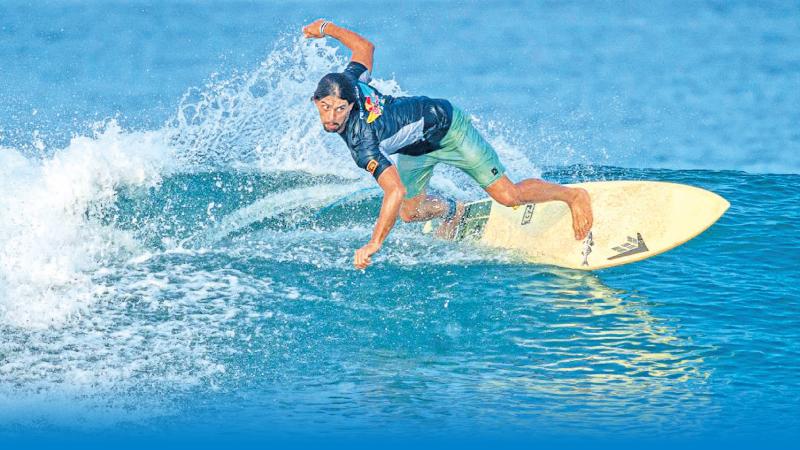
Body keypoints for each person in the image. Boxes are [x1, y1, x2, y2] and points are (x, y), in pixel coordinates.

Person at [302, 19, 593, 270]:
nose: (332, 117)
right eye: (326, 107)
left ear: (351, 105)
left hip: (447, 128)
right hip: (415, 148)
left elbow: (394, 189)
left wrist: (374, 242)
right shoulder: (349, 82)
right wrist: (327, 28)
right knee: (408, 213)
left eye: (340, 109)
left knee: (508, 196)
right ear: (316, 101)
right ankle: (456, 210)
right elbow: (365, 48)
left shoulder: (361, 142)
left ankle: (572, 196)